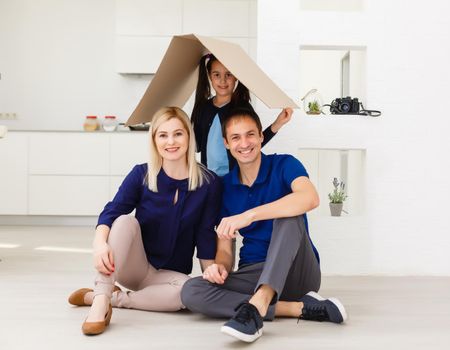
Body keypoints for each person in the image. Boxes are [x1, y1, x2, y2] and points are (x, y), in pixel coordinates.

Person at [181, 107, 347, 343]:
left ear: (261, 136)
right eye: (236, 137)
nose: (244, 143)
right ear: (227, 144)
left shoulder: (285, 165)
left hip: (298, 272)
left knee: (289, 214)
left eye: (250, 134)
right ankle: (296, 308)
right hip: (254, 272)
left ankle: (258, 305)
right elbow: (225, 250)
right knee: (191, 291)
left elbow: (310, 198)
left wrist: (249, 215)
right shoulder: (224, 187)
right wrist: (219, 267)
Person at [68, 107, 222, 335]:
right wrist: (99, 244)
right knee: (124, 222)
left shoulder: (209, 183)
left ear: (189, 136)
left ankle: (114, 298)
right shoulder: (141, 174)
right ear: (154, 140)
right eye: (163, 135)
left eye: (178, 134)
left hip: (169, 275)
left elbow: (205, 234)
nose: (171, 141)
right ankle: (101, 301)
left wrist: (210, 275)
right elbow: (112, 211)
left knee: (188, 292)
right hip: (134, 267)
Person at [191, 53, 293, 176]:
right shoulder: (203, 108)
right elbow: (196, 146)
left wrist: (278, 123)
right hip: (208, 179)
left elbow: (255, 141)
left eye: (228, 74)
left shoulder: (242, 108)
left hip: (235, 178)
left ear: (236, 77)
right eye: (217, 75)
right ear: (210, 76)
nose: (223, 80)